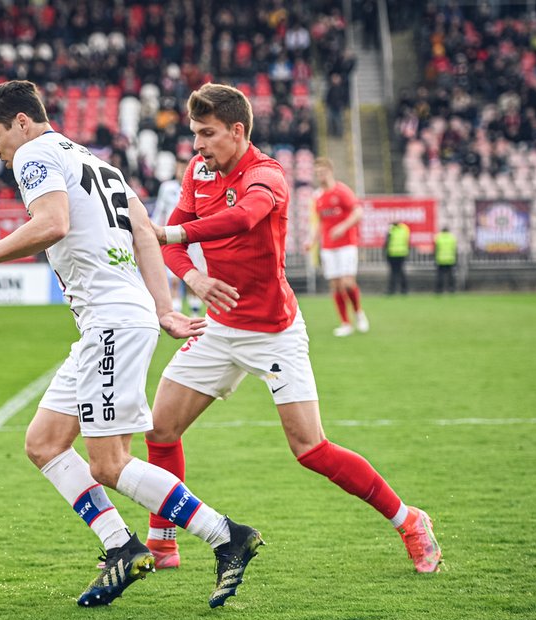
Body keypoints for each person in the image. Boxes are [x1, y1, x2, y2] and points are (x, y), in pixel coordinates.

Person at [0, 80, 264, 609]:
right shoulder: (93, 161)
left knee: (108, 464)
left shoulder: (35, 154)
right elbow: (143, 232)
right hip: (111, 322)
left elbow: (52, 223)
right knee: (44, 442)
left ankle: (227, 535)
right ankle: (122, 547)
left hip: (112, 323)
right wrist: (162, 309)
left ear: (22, 122)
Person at [146, 83, 441, 574]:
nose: (197, 145)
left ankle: (409, 520)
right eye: (194, 133)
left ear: (237, 131)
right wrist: (194, 275)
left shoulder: (269, 175)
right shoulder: (199, 171)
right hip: (217, 329)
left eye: (207, 134)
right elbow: (172, 245)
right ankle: (162, 543)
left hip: (272, 332)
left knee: (310, 449)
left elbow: (242, 218)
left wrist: (174, 234)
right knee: (161, 428)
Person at [308, 157, 369, 337]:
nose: (320, 175)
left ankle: (358, 313)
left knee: (347, 283)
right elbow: (319, 222)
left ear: (330, 171)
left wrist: (342, 227)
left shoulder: (342, 191)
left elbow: (358, 212)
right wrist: (312, 240)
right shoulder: (317, 196)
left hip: (346, 244)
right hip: (328, 246)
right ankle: (345, 323)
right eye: (317, 172)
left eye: (323, 171)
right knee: (335, 285)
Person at [151, 158, 204, 314]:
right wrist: (154, 229)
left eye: (184, 169)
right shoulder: (167, 188)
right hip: (172, 237)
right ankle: (177, 312)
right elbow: (160, 210)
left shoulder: (196, 187)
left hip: (192, 239)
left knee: (192, 275)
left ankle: (195, 313)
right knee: (173, 278)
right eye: (179, 169)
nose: (181, 172)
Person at [384, 220, 410, 295]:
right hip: (402, 253)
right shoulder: (404, 229)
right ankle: (404, 290)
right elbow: (407, 241)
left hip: (392, 253)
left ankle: (392, 290)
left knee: (393, 273)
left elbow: (387, 241)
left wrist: (385, 252)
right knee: (401, 272)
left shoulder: (391, 229)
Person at [434, 227, 457, 293]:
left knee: (440, 276)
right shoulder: (452, 238)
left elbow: (436, 249)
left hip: (440, 259)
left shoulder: (438, 237)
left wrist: (435, 258)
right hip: (450, 259)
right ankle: (451, 289)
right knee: (450, 276)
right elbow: (454, 249)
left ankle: (439, 289)